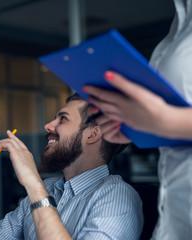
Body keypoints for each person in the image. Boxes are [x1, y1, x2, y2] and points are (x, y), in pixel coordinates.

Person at [82, 0, 192, 239]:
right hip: (175, 216)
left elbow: (172, 120)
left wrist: (166, 121)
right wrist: (137, 125)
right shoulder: (179, 24)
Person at [0, 94, 143, 240]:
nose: (48, 126)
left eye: (63, 119)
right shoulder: (48, 187)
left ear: (93, 134)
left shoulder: (117, 197)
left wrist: (33, 183)